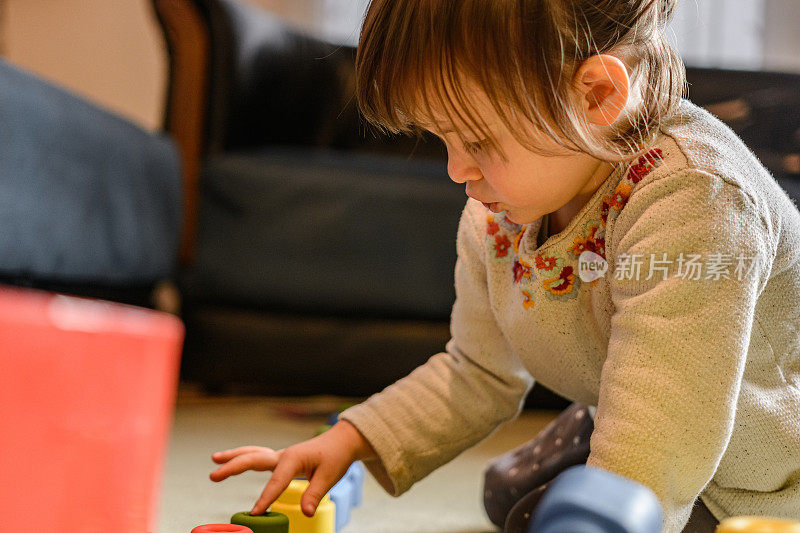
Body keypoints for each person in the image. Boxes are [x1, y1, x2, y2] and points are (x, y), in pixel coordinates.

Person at [208, 1, 800, 532]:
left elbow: (669, 419)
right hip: (647, 415)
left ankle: (601, 440)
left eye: (479, 142)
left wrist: (610, 503)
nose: (457, 172)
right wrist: (356, 437)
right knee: (509, 494)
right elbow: (478, 372)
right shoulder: (501, 215)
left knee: (544, 513)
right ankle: (595, 427)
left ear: (596, 95)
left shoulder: (699, 199)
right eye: (442, 140)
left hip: (764, 469)